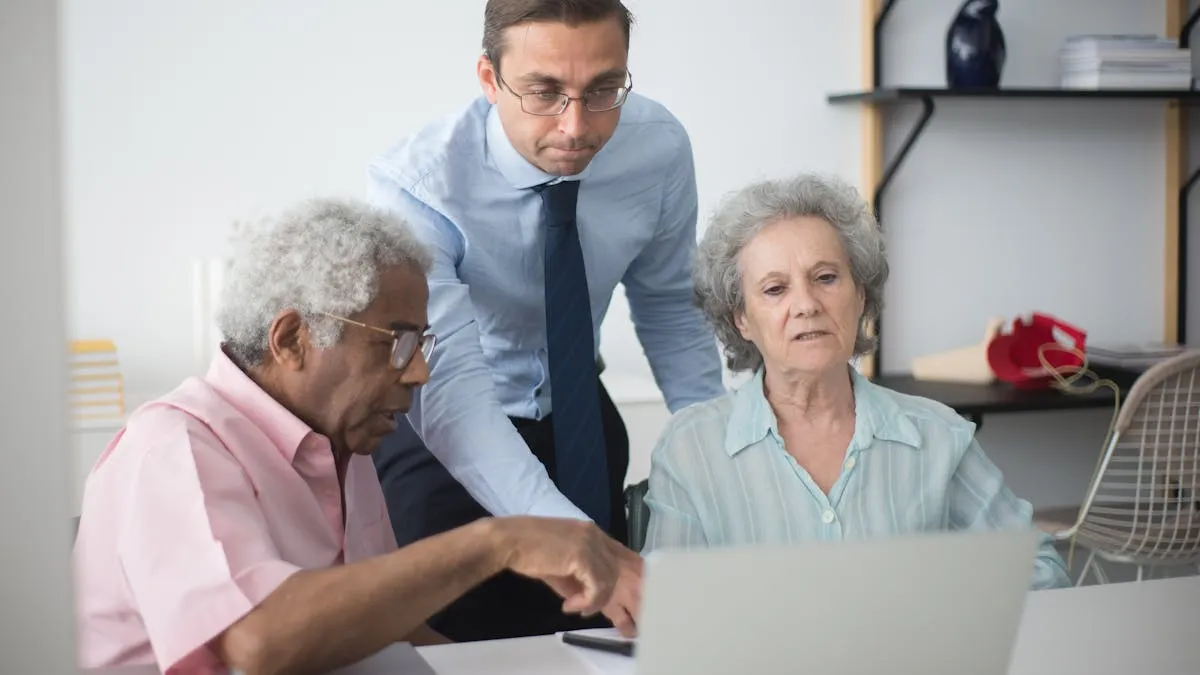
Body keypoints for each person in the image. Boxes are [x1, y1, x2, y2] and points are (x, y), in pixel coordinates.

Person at [72, 198, 635, 675]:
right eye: (395, 342)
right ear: (292, 339)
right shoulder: (174, 448)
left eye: (421, 345)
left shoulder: (342, 442)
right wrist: (497, 542)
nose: (417, 372)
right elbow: (258, 640)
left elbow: (391, 628)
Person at [365, 0, 724, 640]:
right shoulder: (417, 186)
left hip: (581, 419)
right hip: (444, 434)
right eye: (544, 92)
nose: (576, 125)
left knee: (596, 639)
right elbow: (453, 394)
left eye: (603, 89)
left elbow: (670, 306)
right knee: (460, 652)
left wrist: (718, 459)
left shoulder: (659, 149)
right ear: (487, 78)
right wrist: (576, 540)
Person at [641, 174, 1071, 590]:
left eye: (826, 278)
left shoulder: (939, 436)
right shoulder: (690, 448)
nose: (807, 305)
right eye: (775, 289)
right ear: (742, 319)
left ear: (860, 295)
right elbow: (662, 610)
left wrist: (941, 600)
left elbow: (1041, 571)